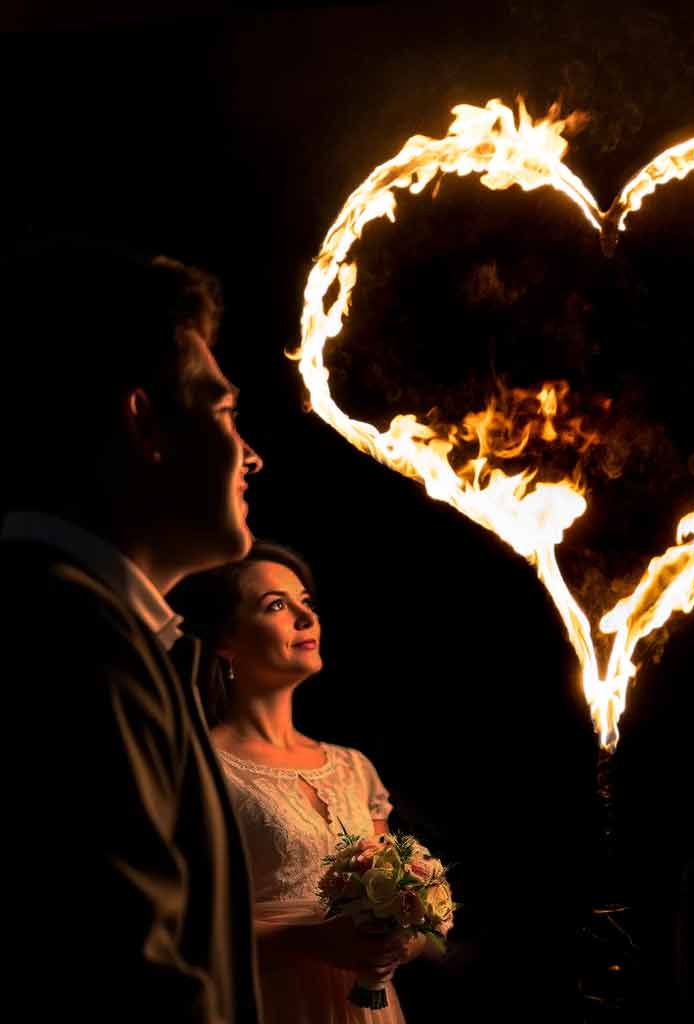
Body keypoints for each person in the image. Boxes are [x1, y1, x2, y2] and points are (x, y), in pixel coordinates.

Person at [0, 241, 265, 1021]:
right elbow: (126, 972)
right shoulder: (71, 640)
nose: (251, 455)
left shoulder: (116, 636)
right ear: (144, 423)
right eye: (221, 411)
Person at [169, 541, 426, 1024]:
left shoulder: (353, 767)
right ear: (226, 640)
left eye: (306, 603)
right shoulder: (197, 765)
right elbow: (178, 927)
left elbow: (396, 900)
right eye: (277, 606)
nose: (306, 618)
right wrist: (308, 939)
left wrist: (400, 937)